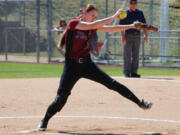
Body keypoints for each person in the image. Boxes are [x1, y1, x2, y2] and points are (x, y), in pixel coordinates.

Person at [38, 4, 152, 131]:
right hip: (72, 67)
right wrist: (114, 16)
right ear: (84, 13)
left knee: (112, 83)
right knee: (61, 99)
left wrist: (132, 25)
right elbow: (92, 25)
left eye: (95, 17)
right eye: (92, 15)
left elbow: (112, 29)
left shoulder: (92, 27)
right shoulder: (74, 23)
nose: (93, 18)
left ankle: (140, 103)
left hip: (87, 65)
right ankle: (45, 120)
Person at [119, 0, 148, 78]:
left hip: (137, 35)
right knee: (127, 54)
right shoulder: (125, 13)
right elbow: (121, 27)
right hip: (128, 35)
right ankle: (127, 72)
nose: (133, 4)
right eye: (131, 3)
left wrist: (145, 35)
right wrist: (123, 37)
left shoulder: (140, 13)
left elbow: (144, 25)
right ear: (129, 4)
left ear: (136, 4)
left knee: (136, 55)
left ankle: (134, 72)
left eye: (135, 3)